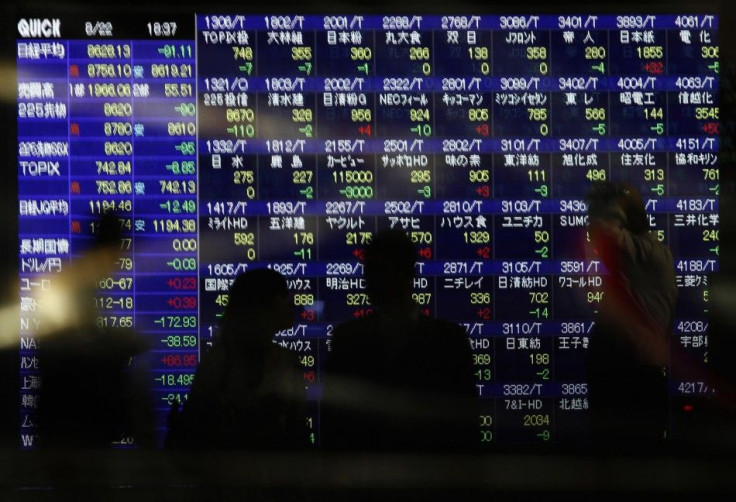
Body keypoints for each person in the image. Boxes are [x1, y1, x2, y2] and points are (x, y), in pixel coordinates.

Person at [321, 229, 477, 452]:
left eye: (378, 272)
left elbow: (466, 430)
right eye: (367, 273)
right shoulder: (346, 338)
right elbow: (333, 426)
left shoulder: (450, 341)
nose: (368, 283)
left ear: (406, 274)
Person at [165, 268, 307, 451]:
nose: (291, 304)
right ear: (267, 304)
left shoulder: (220, 359)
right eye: (285, 297)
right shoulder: (222, 362)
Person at [585, 181, 678, 452]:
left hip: (630, 389)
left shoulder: (649, 255)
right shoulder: (638, 264)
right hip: (627, 383)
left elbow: (607, 232)